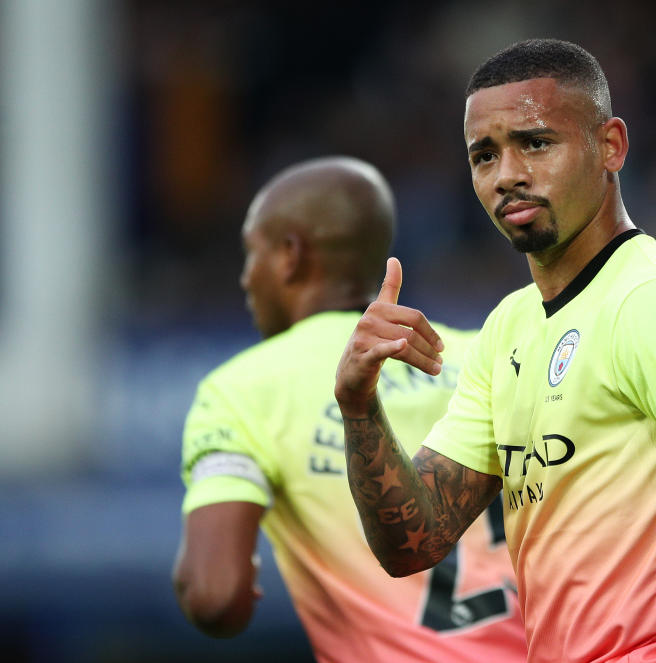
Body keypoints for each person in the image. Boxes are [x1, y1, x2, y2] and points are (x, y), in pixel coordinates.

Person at [334, 39, 656, 663]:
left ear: (611, 146)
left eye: (535, 143)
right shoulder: (509, 327)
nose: (507, 174)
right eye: (485, 154)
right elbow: (414, 539)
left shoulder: (654, 302)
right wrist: (358, 406)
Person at [172, 157, 527, 663]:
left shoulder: (239, 390)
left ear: (291, 255)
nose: (246, 279)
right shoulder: (485, 355)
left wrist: (197, 577)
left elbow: (216, 595)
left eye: (252, 255)